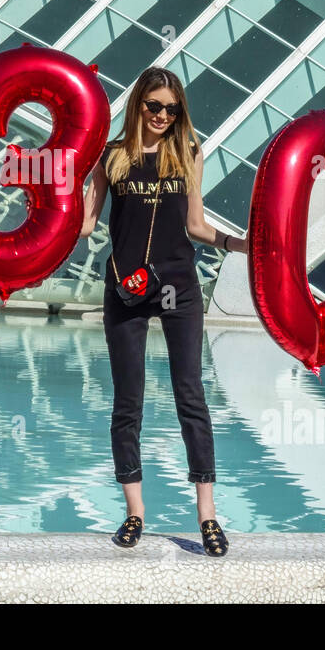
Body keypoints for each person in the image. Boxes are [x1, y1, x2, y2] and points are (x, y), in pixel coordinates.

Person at [78, 66, 247, 558]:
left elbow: (195, 223)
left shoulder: (189, 153)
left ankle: (208, 517)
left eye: (171, 109)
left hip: (177, 285)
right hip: (126, 288)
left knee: (189, 395)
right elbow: (86, 225)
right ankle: (134, 513)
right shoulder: (110, 156)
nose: (162, 116)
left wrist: (239, 244)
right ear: (138, 106)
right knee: (127, 402)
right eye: (154, 106)